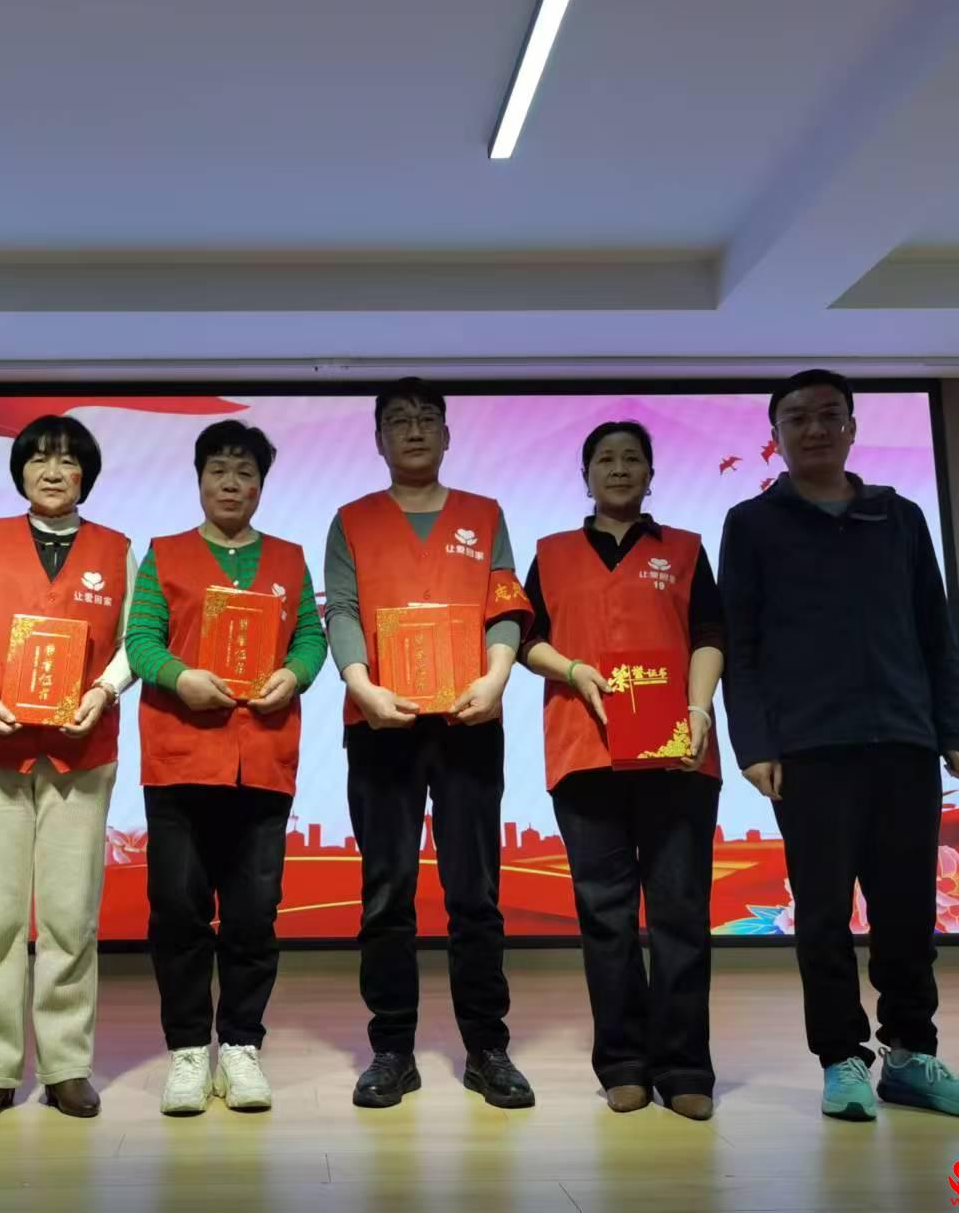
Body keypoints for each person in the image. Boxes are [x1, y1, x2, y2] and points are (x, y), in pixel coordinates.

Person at [719, 368, 959, 1122]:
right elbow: (741, 644)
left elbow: (936, 630)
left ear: (851, 426)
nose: (814, 429)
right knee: (821, 915)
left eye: (828, 415)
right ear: (776, 435)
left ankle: (910, 1056)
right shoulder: (753, 524)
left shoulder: (899, 517)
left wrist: (955, 726)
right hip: (808, 749)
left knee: (907, 912)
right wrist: (754, 742)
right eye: (797, 418)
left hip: (904, 740)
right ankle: (841, 1059)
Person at [323, 378, 536, 1110]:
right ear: (379, 439)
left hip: (470, 723)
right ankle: (392, 1050)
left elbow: (505, 606)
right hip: (380, 724)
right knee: (387, 892)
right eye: (398, 420)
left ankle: (487, 1049)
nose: (413, 430)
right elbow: (341, 610)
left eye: (425, 419)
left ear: (447, 434)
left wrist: (497, 678)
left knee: (475, 891)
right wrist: (361, 687)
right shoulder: (351, 519)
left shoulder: (485, 514)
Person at [519, 420, 724, 1121]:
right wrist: (574, 669)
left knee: (680, 911)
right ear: (585, 475)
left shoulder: (686, 549)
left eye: (632, 457)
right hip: (586, 752)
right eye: (604, 458)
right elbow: (526, 639)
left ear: (650, 473)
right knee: (605, 917)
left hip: (677, 752)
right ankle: (624, 1063)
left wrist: (698, 708)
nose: (618, 468)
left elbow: (710, 635)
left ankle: (686, 1066)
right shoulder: (550, 553)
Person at [0, 415, 135, 1123]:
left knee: (70, 915)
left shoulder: (118, 548)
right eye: (39, 459)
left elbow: (135, 640)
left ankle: (66, 1065)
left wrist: (105, 689)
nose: (53, 471)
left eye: (68, 460)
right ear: (20, 471)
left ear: (86, 475)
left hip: (82, 750)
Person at [125, 420, 328, 1116]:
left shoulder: (290, 560)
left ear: (262, 485)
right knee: (178, 910)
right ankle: (187, 1049)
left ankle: (240, 1045)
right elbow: (141, 639)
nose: (231, 483)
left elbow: (310, 637)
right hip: (181, 758)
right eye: (218, 470)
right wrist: (179, 677)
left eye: (245, 472)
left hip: (261, 760)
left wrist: (296, 675)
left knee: (253, 913)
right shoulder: (165, 554)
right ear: (199, 479)